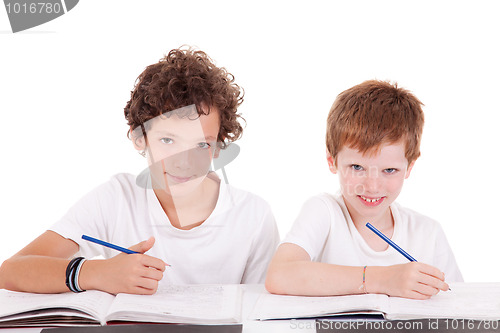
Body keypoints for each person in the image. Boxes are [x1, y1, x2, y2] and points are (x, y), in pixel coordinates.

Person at [0, 47, 279, 295]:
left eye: (200, 145)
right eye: (168, 141)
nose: (184, 163)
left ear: (218, 147)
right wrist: (96, 273)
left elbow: (263, 312)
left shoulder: (254, 217)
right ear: (139, 139)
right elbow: (11, 272)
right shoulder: (116, 199)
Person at [265, 80, 463, 300]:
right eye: (357, 167)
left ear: (409, 167)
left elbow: (457, 302)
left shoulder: (427, 233)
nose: (372, 186)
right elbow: (279, 275)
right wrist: (381, 279)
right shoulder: (325, 212)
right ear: (332, 161)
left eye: (389, 170)